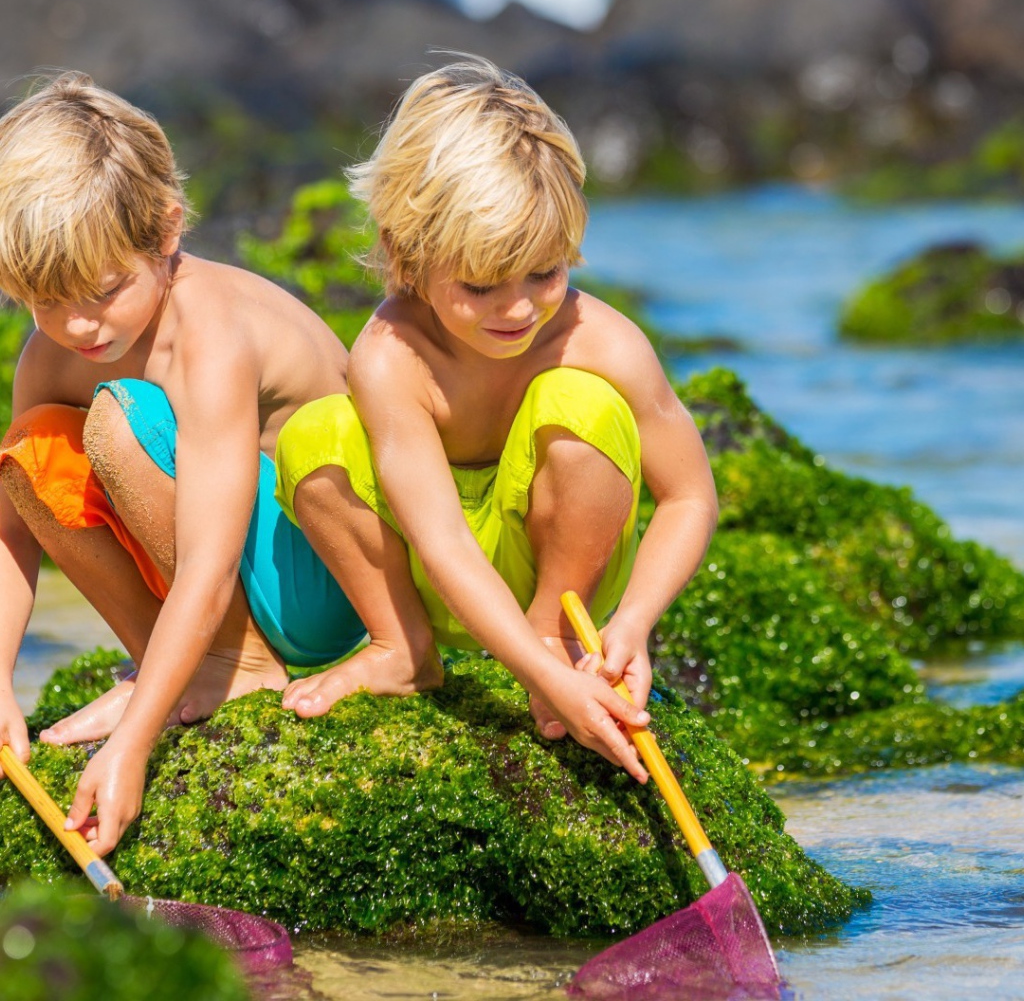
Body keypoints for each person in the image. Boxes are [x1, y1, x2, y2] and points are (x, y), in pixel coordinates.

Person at [274, 55, 719, 781]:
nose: (518, 309)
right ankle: (402, 649)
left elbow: (691, 495)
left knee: (582, 403)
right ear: (406, 259)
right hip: (437, 574)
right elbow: (443, 541)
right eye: (480, 286)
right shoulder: (393, 357)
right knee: (314, 435)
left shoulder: (599, 340)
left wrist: (634, 621)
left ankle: (550, 635)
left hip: (566, 580)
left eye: (544, 273)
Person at [0, 72, 409, 855]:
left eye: (105, 289)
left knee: (119, 424)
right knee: (31, 451)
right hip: (227, 566)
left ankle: (238, 665)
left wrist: (134, 747)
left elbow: (212, 564)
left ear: (166, 231)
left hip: (322, 580)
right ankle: (175, 661)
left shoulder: (210, 333)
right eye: (45, 301)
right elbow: (12, 527)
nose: (78, 325)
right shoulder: (51, 350)